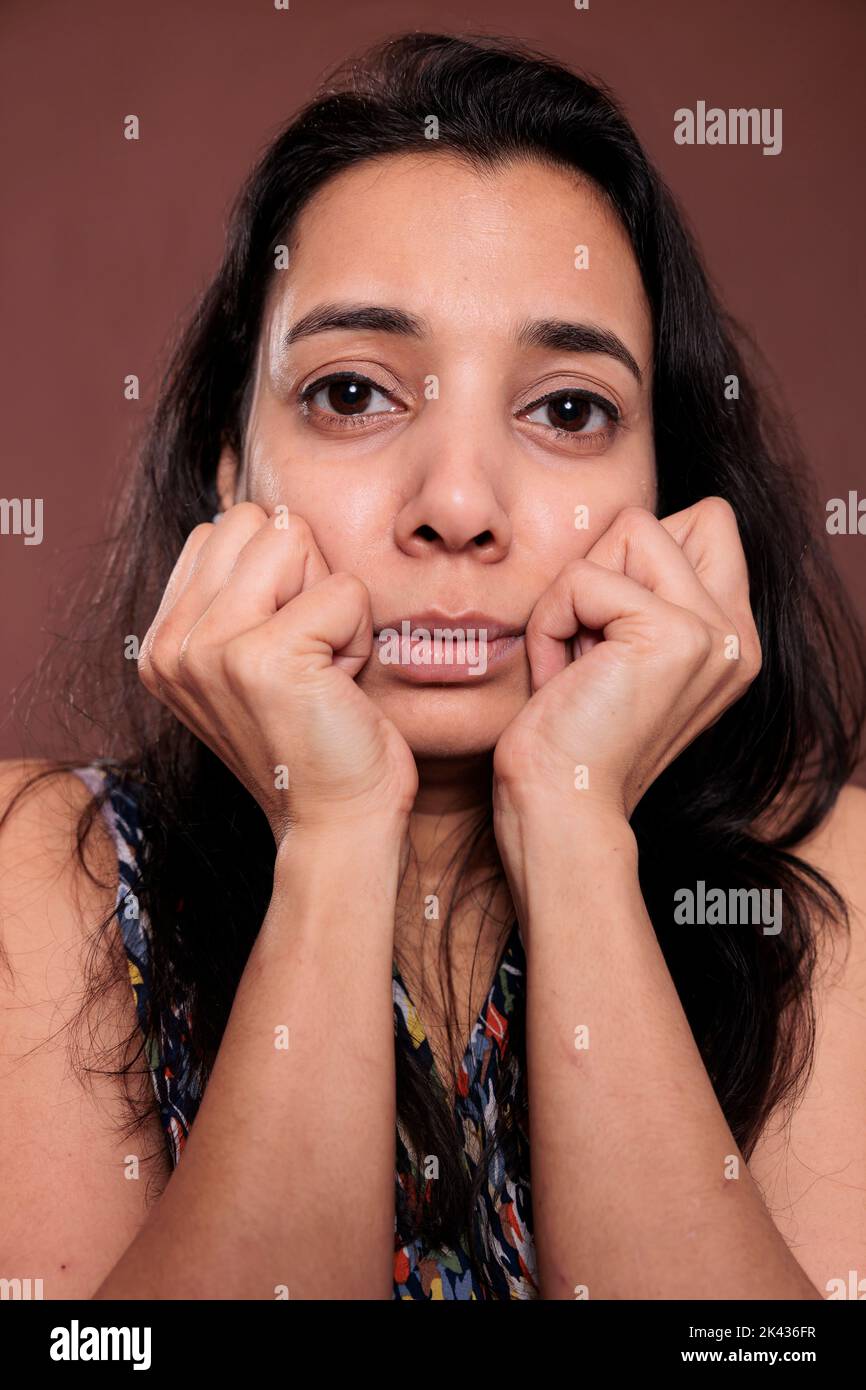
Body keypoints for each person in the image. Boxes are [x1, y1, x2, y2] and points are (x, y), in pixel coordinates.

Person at [1, 31, 864, 1302]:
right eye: (354, 394)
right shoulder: (40, 873)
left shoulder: (819, 890)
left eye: (565, 410)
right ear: (231, 476)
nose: (457, 504)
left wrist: (570, 825)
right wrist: (335, 836)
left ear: (667, 502)